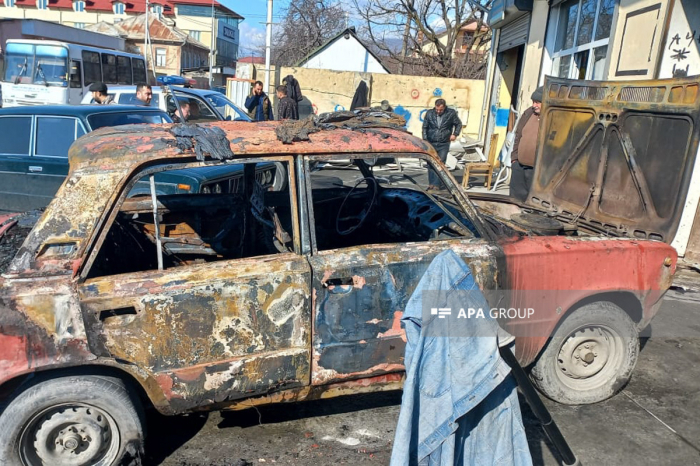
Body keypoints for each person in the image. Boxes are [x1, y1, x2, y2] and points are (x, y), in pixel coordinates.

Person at [509, 86, 543, 201]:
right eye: (533, 102)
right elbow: (518, 136)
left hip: (536, 171)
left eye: (538, 102)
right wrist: (514, 159)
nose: (534, 105)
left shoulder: (552, 118)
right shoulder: (528, 113)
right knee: (515, 201)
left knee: (532, 203)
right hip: (519, 166)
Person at [422, 98, 462, 190]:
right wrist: (425, 139)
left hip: (444, 143)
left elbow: (458, 124)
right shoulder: (429, 113)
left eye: (441, 110)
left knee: (440, 163)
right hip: (431, 142)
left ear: (444, 108)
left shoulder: (451, 113)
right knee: (430, 163)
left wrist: (455, 134)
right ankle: (431, 184)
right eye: (437, 109)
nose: (438, 111)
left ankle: (437, 185)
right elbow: (425, 127)